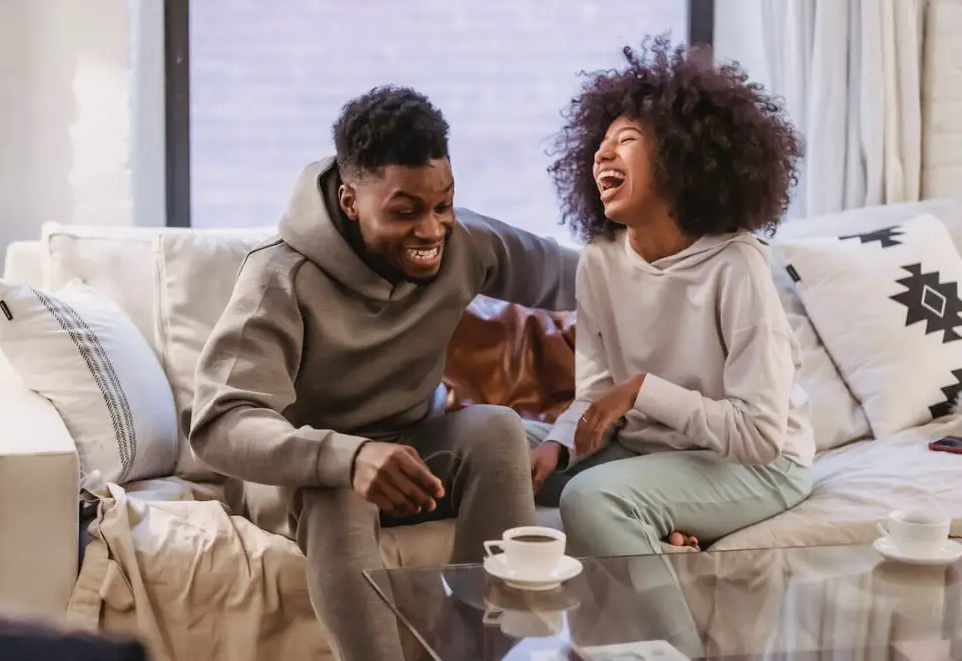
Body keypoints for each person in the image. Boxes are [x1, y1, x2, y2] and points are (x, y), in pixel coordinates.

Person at [185, 85, 578, 661]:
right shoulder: (280, 279)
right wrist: (346, 456)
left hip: (411, 453)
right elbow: (219, 424)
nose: (432, 230)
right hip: (304, 475)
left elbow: (580, 276)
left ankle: (487, 650)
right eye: (405, 211)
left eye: (442, 204)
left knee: (496, 429)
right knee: (337, 494)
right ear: (350, 201)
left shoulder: (464, 242)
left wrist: (696, 259)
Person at [528, 34, 816, 559]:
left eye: (628, 140)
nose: (602, 153)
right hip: (648, 451)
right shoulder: (601, 258)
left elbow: (759, 437)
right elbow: (595, 395)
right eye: (601, 142)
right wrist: (558, 442)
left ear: (684, 159)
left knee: (593, 498)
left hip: (758, 466)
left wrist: (642, 391)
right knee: (504, 453)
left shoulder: (737, 265)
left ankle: (670, 643)